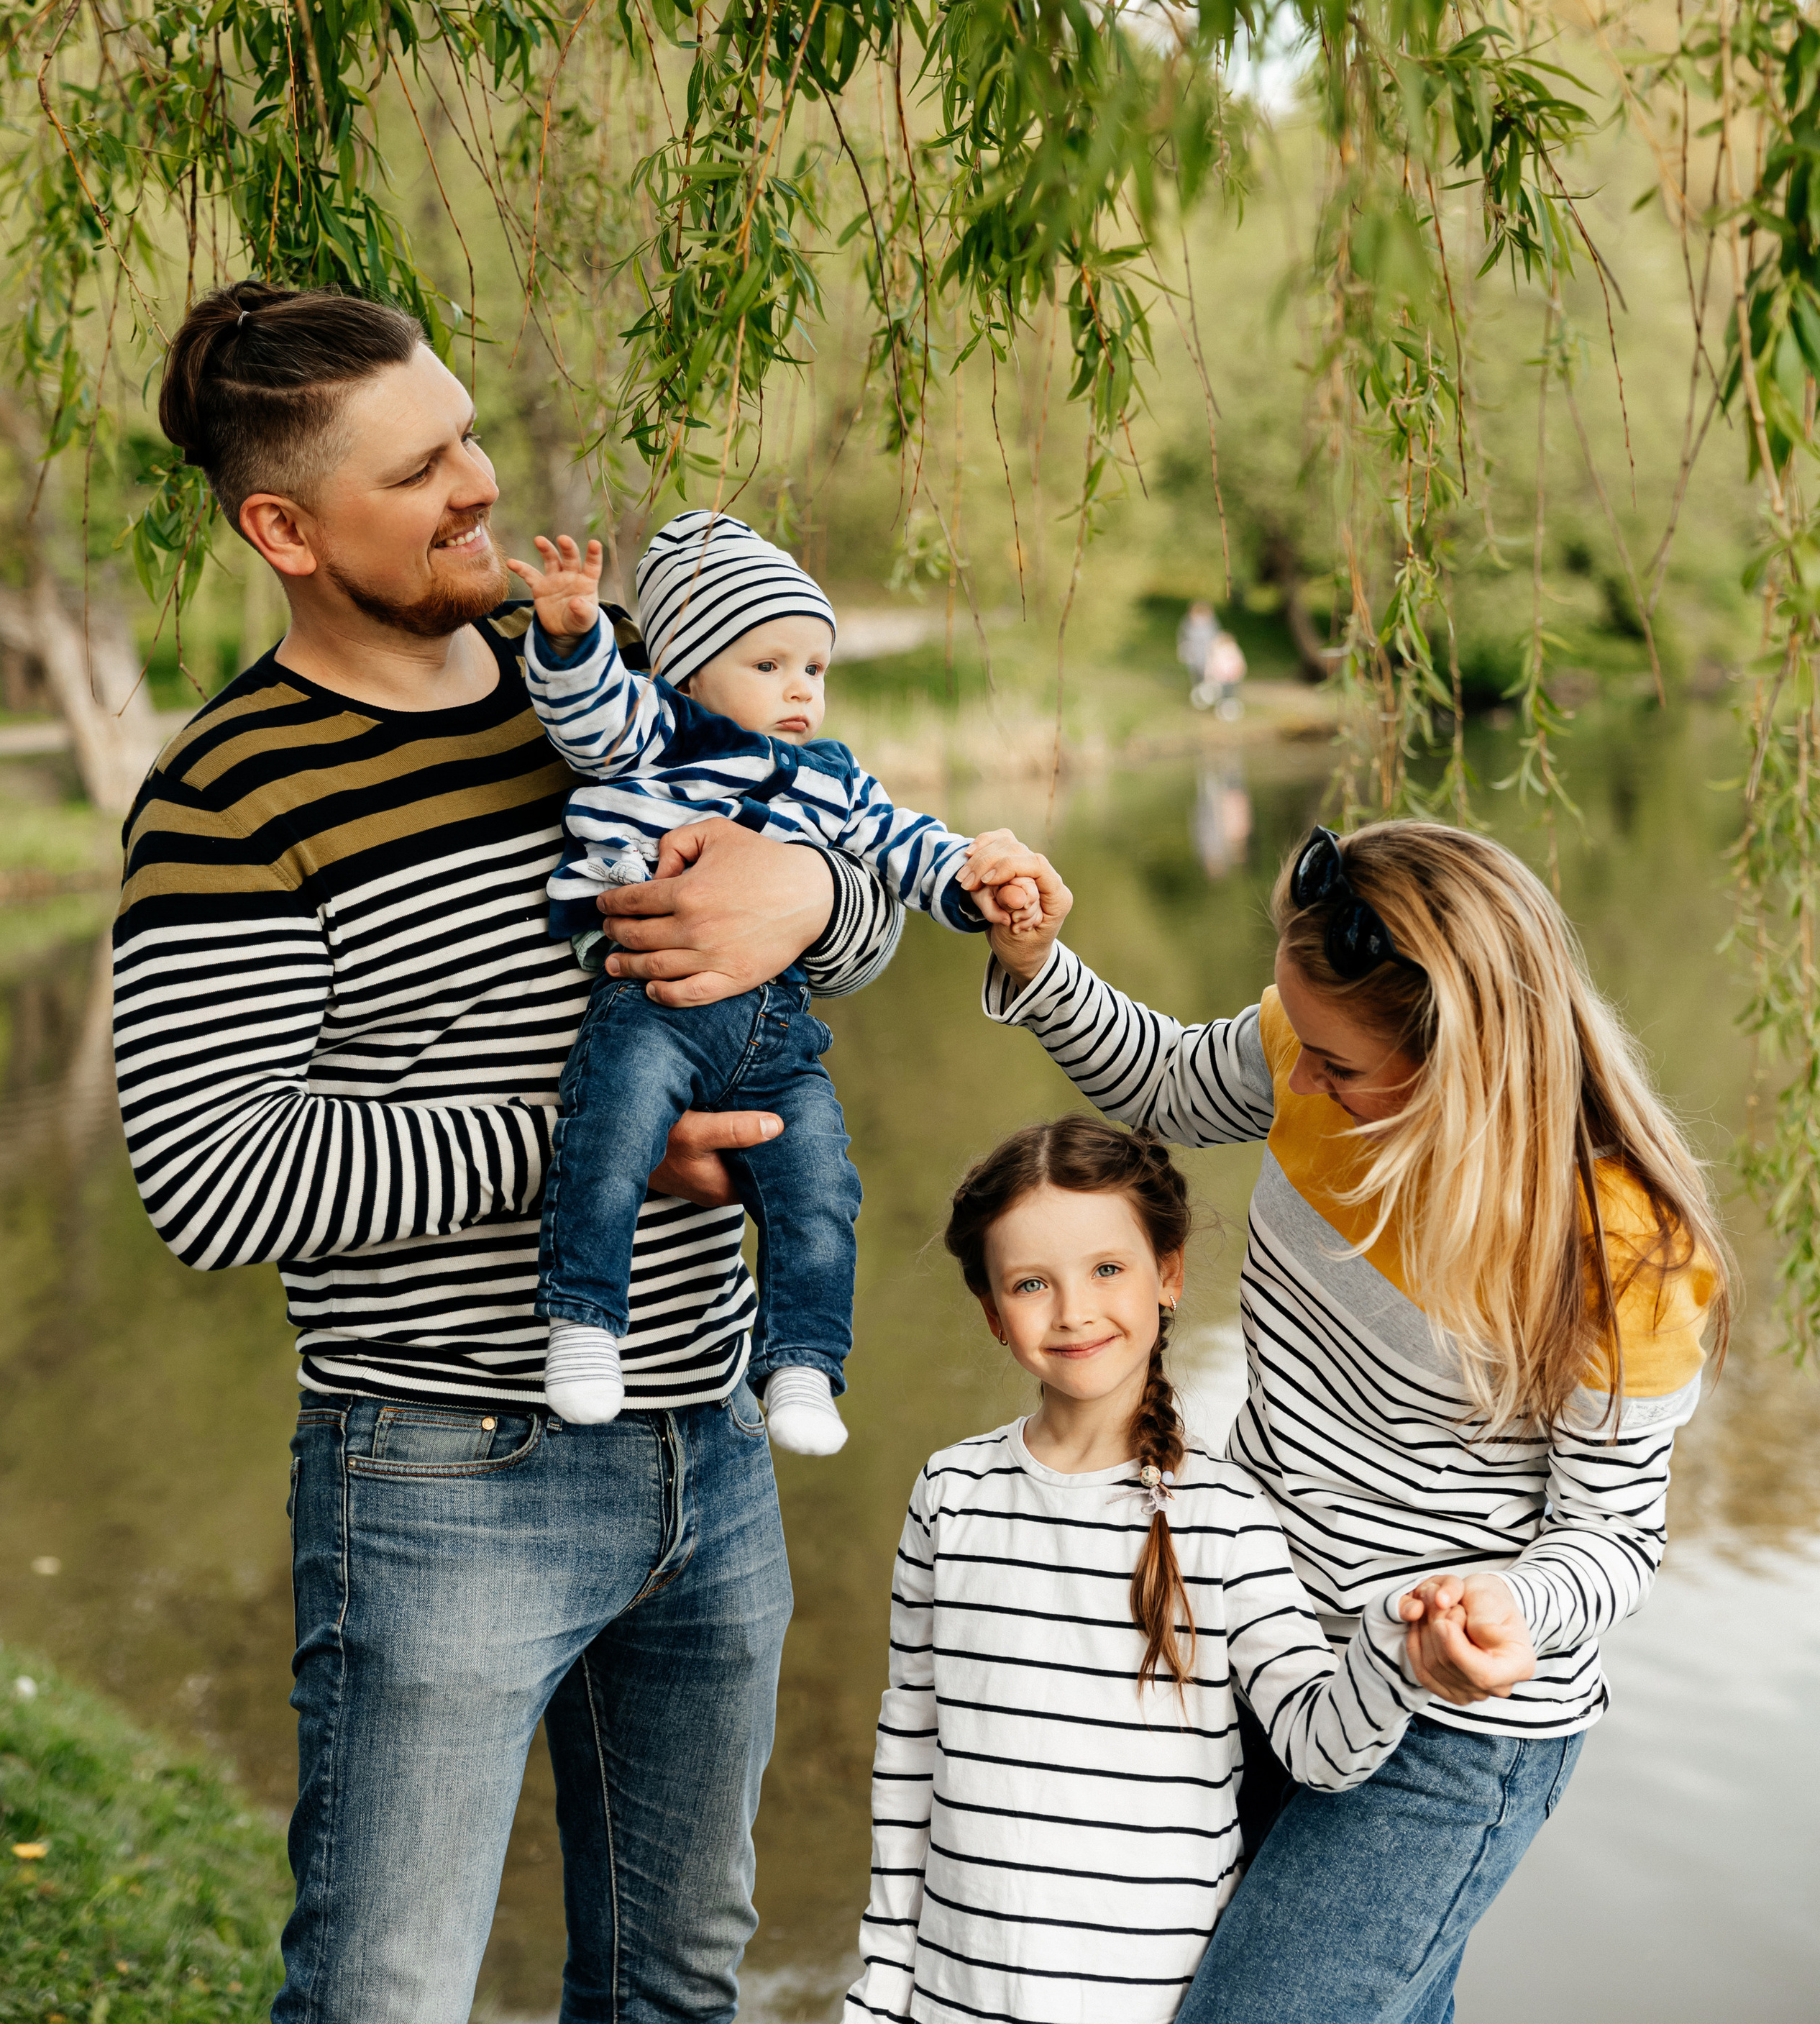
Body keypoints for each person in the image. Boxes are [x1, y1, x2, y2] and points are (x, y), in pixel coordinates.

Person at [112, 280, 913, 2024]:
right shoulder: (230, 797)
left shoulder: (611, 663)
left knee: (675, 1982)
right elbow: (211, 1172)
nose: (477, 484)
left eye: (466, 431)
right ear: (285, 527)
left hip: (708, 1441)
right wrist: (591, 1150)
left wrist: (816, 893)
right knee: (385, 1995)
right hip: (440, 1478)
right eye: (419, 471)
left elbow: (826, 897)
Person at [977, 818, 1729, 2024]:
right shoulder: (1308, 1047)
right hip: (1261, 1642)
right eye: (1299, 1040)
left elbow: (1613, 1538)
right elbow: (1167, 1079)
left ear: (1470, 1056)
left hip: (1448, 1726)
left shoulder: (1612, 1250)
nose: (1298, 1082)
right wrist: (1036, 963)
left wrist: (1500, 1608)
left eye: (1336, 1064)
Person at [841, 1116, 1524, 2024]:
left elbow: (1319, 1750)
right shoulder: (951, 1492)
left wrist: (1398, 1660)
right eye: (1032, 1283)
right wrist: (882, 1986)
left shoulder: (1227, 1515)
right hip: (947, 1996)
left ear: (1168, 1274)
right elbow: (909, 1750)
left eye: (1107, 1269)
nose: (1074, 1310)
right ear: (993, 1312)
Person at [509, 514, 1050, 1449]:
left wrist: (975, 877)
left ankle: (802, 1366)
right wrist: (569, 638)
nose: (800, 688)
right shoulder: (656, 732)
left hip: (778, 1032)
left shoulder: (833, 781)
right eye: (768, 665)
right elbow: (587, 709)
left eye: (815, 667)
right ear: (683, 667)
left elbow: (904, 843)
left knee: (820, 1186)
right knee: (612, 1133)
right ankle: (585, 1322)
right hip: (654, 1009)